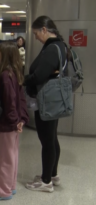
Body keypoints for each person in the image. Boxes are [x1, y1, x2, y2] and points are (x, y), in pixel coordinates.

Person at [24, 15, 69, 192]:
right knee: (52, 138)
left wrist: (23, 80)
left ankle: (45, 181)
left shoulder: (52, 48)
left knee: (47, 141)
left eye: (36, 33)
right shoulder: (60, 46)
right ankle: (53, 174)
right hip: (55, 99)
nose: (35, 37)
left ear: (44, 29)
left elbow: (39, 75)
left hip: (47, 100)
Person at [0, 42, 29, 201]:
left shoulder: (4, 75)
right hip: (15, 122)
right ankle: (10, 185)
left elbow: (9, 102)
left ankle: (2, 191)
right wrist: (21, 119)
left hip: (8, 123)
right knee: (12, 156)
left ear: (5, 56)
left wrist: (12, 121)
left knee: (2, 158)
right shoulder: (15, 73)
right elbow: (20, 99)